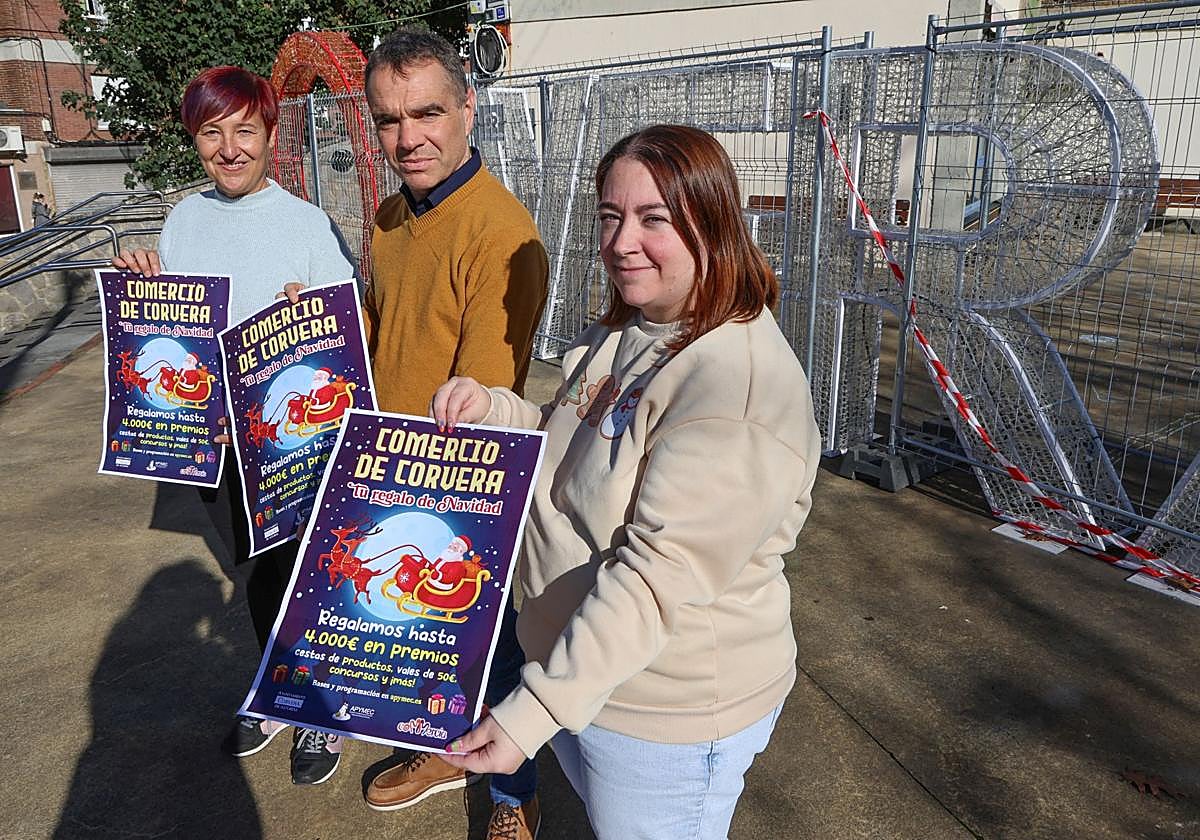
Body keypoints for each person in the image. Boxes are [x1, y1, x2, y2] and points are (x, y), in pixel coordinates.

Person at [431, 124, 821, 840]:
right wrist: (495, 411)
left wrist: (533, 712)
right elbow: (571, 440)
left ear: (713, 225)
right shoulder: (631, 329)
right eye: (610, 216)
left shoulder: (732, 387)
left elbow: (656, 578)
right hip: (583, 679)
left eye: (653, 219)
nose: (621, 242)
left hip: (662, 715)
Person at [111, 65, 358, 786]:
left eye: (244, 130)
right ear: (194, 140)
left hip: (292, 443)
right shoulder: (183, 220)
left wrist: (313, 312)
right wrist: (143, 283)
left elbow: (348, 342)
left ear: (271, 134)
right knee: (254, 572)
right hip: (212, 443)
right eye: (211, 133)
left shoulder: (308, 225)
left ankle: (323, 709)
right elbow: (168, 331)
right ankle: (280, 690)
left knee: (306, 573)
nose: (229, 149)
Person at [350, 28, 549, 839]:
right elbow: (376, 333)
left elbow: (485, 402)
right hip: (386, 469)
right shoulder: (389, 217)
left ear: (469, 107)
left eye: (427, 113)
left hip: (460, 481)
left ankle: (514, 797)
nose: (408, 138)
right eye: (389, 119)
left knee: (486, 643)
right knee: (420, 646)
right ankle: (441, 750)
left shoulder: (501, 234)